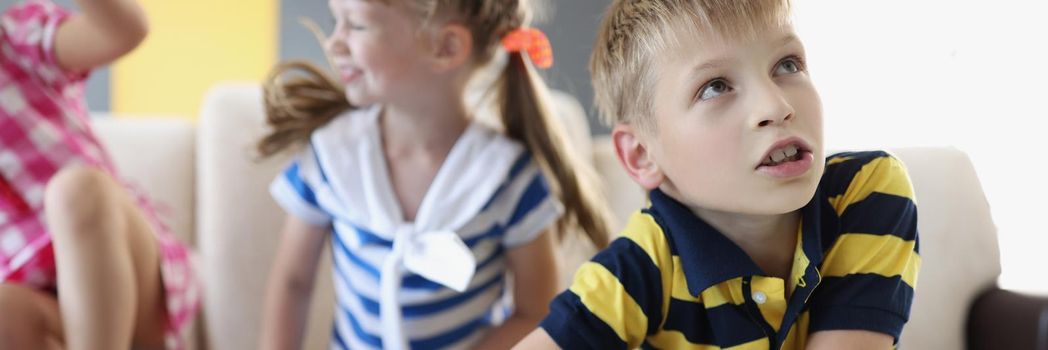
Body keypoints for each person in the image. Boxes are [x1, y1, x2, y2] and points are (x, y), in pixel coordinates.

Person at [515, 0, 921, 348]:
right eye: (715, 87)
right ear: (642, 155)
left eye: (787, 63)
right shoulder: (640, 267)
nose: (775, 105)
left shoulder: (867, 194)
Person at [256, 0, 612, 349]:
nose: (335, 43)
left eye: (358, 24)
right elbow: (293, 282)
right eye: (338, 20)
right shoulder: (332, 157)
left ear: (446, 47)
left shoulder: (508, 179)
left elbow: (536, 311)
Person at [0, 0, 200, 349]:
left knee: (77, 189)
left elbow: (123, 32)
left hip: (126, 273)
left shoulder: (16, 40)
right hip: (43, 304)